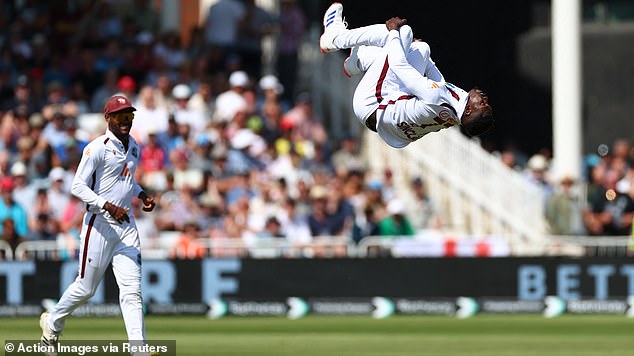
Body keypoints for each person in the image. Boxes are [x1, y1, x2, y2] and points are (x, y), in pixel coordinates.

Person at [40, 95, 157, 351]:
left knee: (132, 292)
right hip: (99, 224)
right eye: (120, 116)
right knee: (86, 288)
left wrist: (141, 194)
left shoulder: (134, 145)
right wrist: (107, 206)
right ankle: (53, 321)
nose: (126, 121)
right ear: (108, 118)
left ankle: (139, 347)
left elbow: (127, 181)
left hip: (126, 225)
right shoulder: (97, 148)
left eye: (129, 116)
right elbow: (77, 186)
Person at [319, 3, 494, 148]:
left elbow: (398, 65)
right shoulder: (453, 112)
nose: (485, 98)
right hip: (384, 117)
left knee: (404, 33)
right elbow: (437, 82)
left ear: (469, 111)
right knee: (421, 49)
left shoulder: (437, 98)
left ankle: (334, 38)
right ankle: (357, 62)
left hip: (372, 103)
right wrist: (423, 56)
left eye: (483, 105)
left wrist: (394, 32)